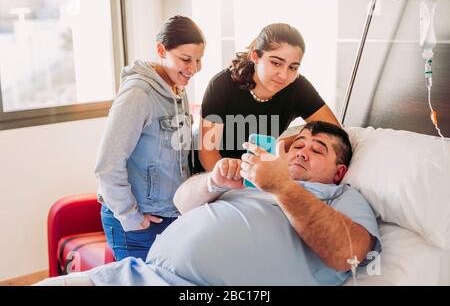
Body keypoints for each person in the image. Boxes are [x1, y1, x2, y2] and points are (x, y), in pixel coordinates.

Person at [38, 122, 381, 286]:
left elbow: (347, 254)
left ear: (339, 172)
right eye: (297, 144)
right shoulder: (255, 180)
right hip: (139, 276)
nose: (301, 150)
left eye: (317, 149)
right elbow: (181, 202)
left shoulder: (342, 197)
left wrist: (281, 187)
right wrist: (213, 181)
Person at [94, 15, 206, 261]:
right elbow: (107, 165)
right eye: (185, 59)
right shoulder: (138, 94)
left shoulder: (178, 91)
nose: (194, 69)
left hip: (170, 216)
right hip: (137, 222)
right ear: (161, 50)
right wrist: (131, 217)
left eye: (198, 60)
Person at [198, 23, 340, 172]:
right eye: (276, 63)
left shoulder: (298, 87)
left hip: (258, 174)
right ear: (255, 56)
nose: (284, 75)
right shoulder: (222, 85)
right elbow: (208, 152)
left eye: (293, 67)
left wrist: (284, 144)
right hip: (216, 172)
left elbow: (334, 131)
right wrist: (229, 186)